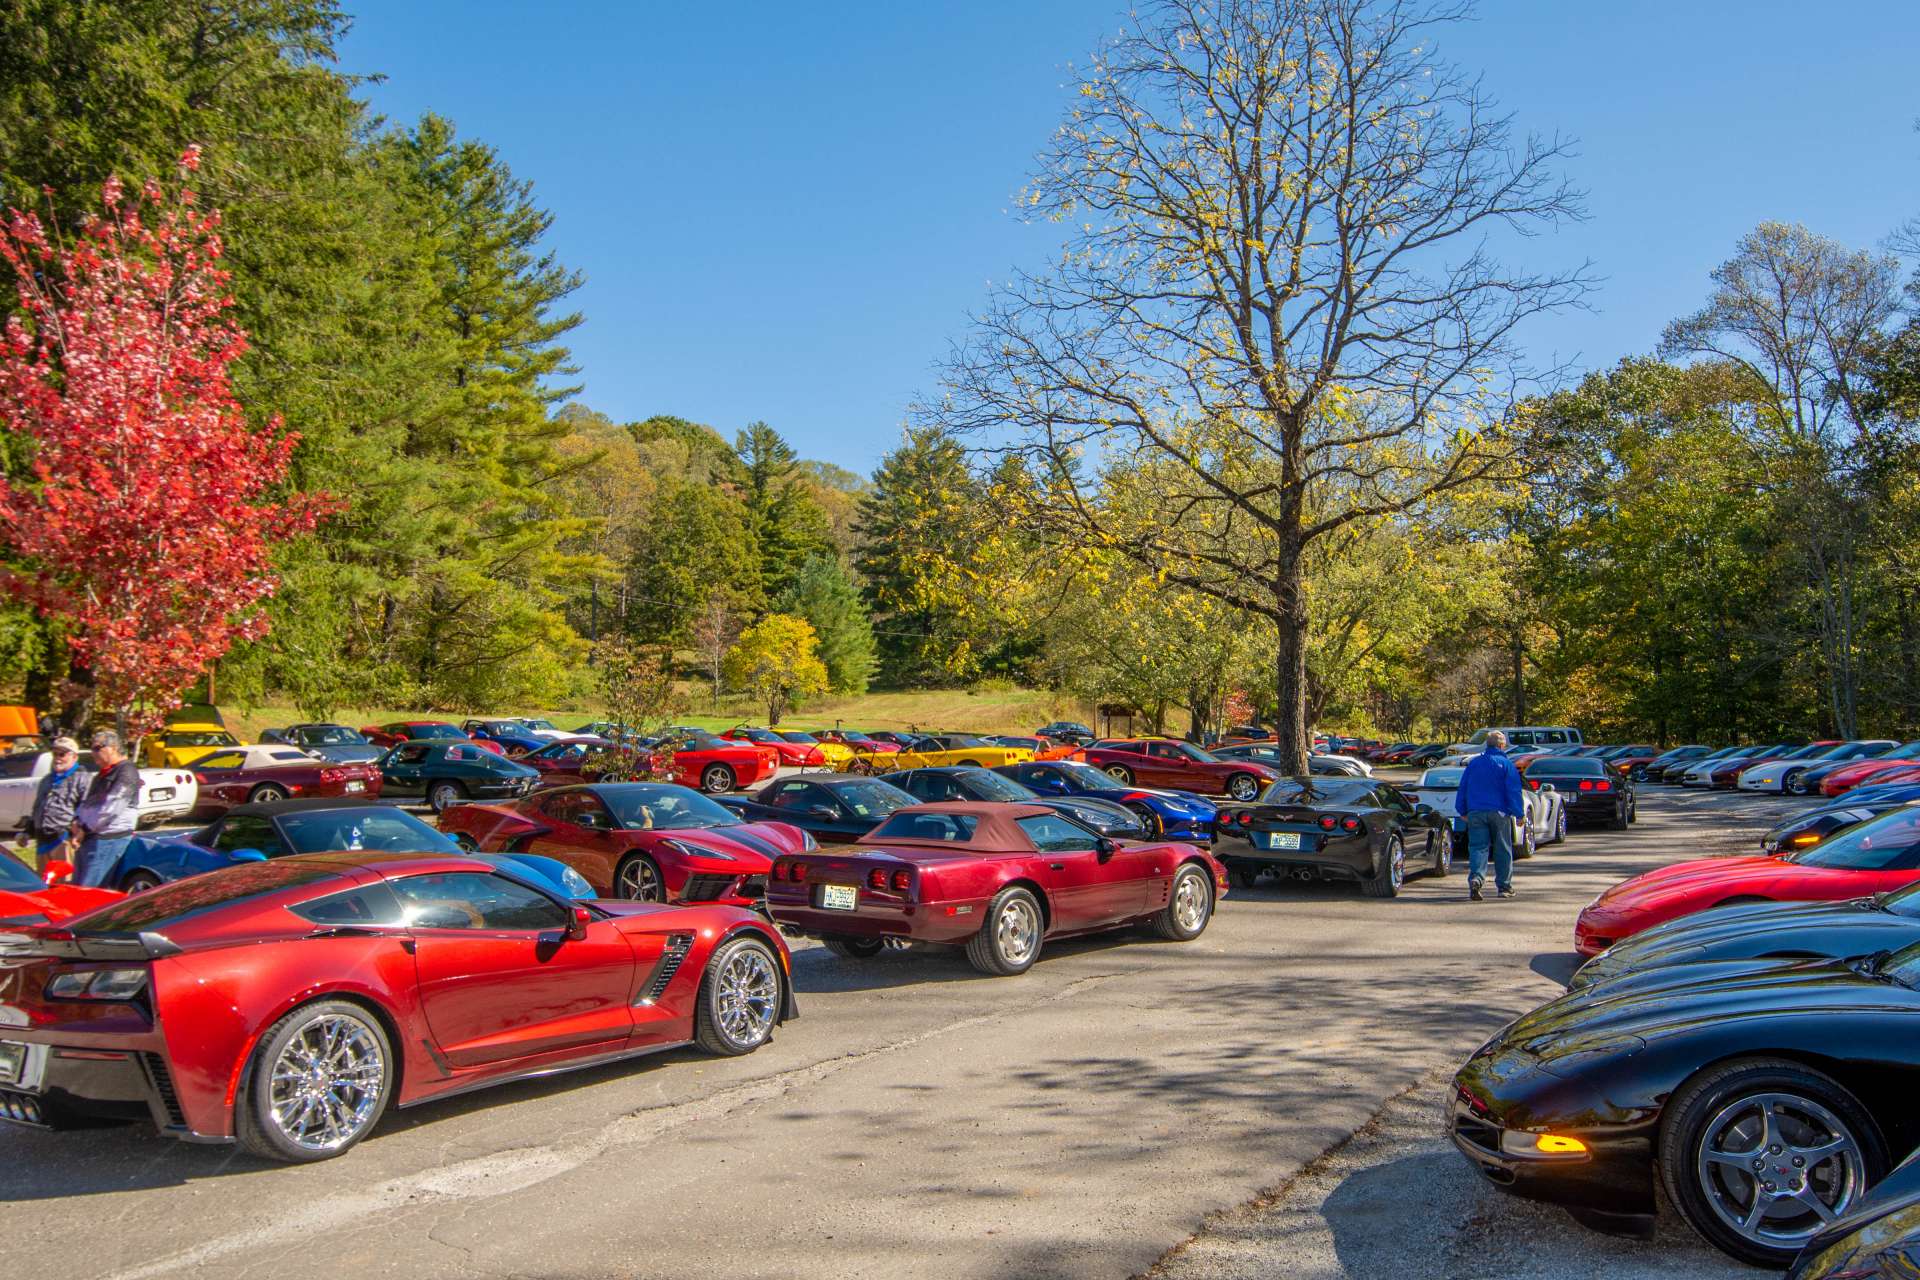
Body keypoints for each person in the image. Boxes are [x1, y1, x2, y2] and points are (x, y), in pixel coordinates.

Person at [1453, 729, 1525, 901]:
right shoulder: (1506, 765)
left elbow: (1463, 787)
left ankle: (1476, 879)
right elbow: (1513, 791)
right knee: (1503, 849)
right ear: (1502, 745)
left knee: (1478, 847)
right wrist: (1519, 813)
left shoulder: (1474, 764)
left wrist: (1462, 810)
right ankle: (1504, 886)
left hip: (1476, 811)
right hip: (1499, 813)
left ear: (1487, 744)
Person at [72, 729, 141, 888]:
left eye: (98, 748)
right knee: (77, 889)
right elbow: (87, 803)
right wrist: (77, 821)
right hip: (90, 838)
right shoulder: (102, 774)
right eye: (92, 748)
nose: (93, 752)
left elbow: (112, 807)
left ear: (114, 747)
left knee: (89, 893)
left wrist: (85, 829)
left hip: (109, 840)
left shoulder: (127, 771)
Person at [27, 736, 91, 866]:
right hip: (42, 841)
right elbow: (37, 808)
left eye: (62, 754)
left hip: (63, 840)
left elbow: (86, 809)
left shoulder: (82, 778)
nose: (57, 758)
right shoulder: (47, 780)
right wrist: (27, 831)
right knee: (43, 884)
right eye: (55, 754)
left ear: (74, 757)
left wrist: (78, 831)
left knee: (63, 883)